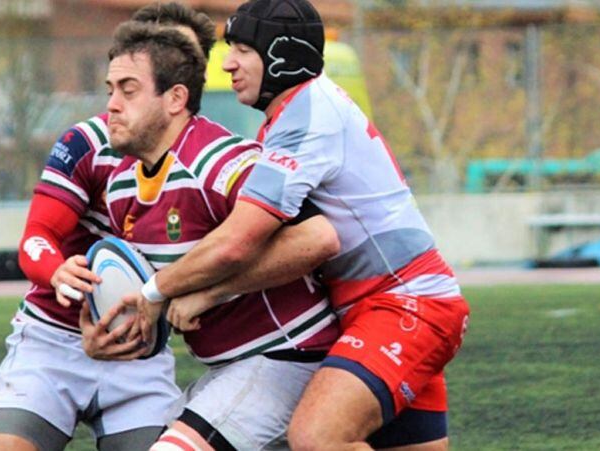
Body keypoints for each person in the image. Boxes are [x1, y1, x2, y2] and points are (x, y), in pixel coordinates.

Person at [126, 1, 471, 450]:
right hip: (386, 308)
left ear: (283, 55)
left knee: (317, 437)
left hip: (403, 306)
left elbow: (239, 241)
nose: (229, 63)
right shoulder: (293, 115)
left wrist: (159, 289)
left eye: (244, 49)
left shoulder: (305, 116)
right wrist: (209, 291)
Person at [84, 20, 341, 451]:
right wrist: (105, 334)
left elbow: (317, 239)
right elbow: (157, 293)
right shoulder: (121, 187)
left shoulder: (221, 163)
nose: (111, 105)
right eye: (110, 90)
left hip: (287, 353)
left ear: (176, 99)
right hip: (225, 369)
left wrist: (205, 293)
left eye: (128, 91)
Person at [0, 4, 217, 451]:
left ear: (183, 86)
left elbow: (229, 255)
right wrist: (57, 273)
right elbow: (35, 239)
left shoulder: (213, 161)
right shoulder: (88, 143)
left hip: (140, 350)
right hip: (52, 341)